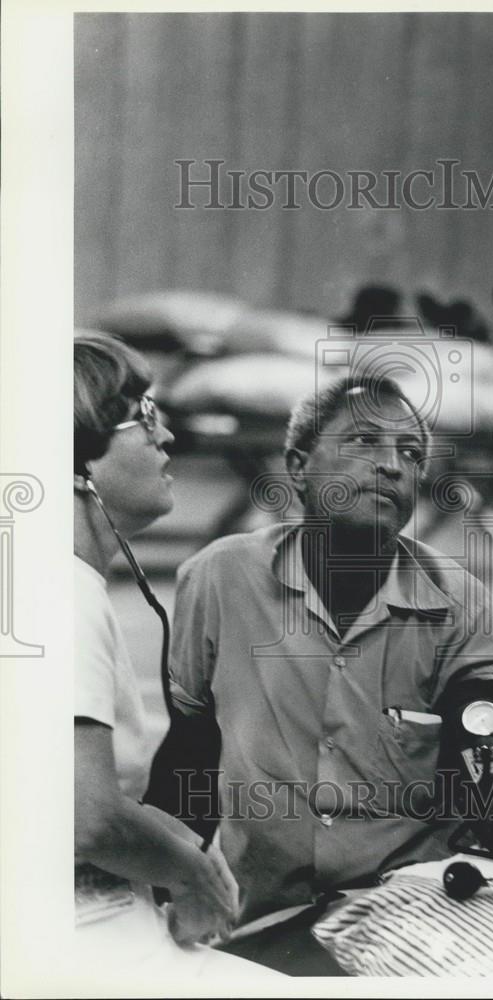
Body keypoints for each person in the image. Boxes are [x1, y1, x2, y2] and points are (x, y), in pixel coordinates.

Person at [161, 373, 493, 929]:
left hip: (411, 911)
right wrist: (164, 887)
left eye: (410, 453)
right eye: (364, 442)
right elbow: (188, 750)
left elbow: (485, 746)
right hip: (261, 918)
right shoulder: (219, 579)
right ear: (297, 466)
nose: (391, 464)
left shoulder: (459, 601)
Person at [73, 332, 279, 990]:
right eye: (145, 417)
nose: (169, 441)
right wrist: (191, 870)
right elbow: (86, 818)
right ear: (77, 456)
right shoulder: (60, 594)